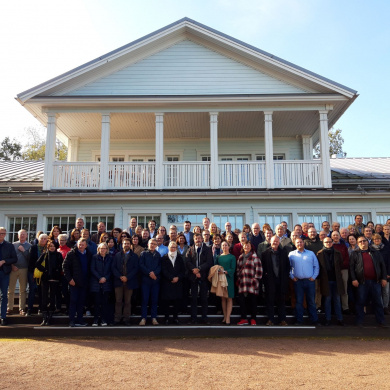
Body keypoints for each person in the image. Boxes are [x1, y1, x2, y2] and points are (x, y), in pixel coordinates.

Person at [350, 236, 387, 327]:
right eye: (360, 241)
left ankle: (381, 321)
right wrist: (354, 279)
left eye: (364, 241)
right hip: (362, 282)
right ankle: (359, 321)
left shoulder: (375, 252)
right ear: (358, 244)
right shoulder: (355, 254)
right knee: (360, 302)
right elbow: (351, 268)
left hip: (375, 282)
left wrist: (384, 278)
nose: (363, 242)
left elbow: (382, 265)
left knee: (378, 302)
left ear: (367, 242)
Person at [289, 237, 320, 326]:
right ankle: (299, 320)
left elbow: (316, 266)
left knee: (311, 301)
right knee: (299, 301)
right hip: (298, 282)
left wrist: (314, 277)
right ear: (295, 244)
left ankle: (314, 320)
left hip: (310, 281)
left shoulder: (311, 254)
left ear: (304, 243)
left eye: (301, 242)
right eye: (297, 243)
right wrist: (292, 277)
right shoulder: (291, 254)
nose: (299, 244)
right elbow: (288, 267)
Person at [63, 238, 92, 327]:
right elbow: (65, 267)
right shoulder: (71, 254)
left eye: (83, 244)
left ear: (86, 245)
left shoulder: (89, 254)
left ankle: (80, 319)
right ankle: (72, 320)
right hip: (74, 282)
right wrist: (69, 279)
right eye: (79, 244)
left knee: (81, 302)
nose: (81, 246)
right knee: (73, 301)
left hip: (84, 282)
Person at [261, 236, 290, 326]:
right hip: (270, 281)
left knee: (281, 301)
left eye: (277, 241)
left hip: (281, 280)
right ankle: (270, 319)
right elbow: (263, 267)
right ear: (270, 241)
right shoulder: (265, 253)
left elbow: (287, 266)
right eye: (274, 241)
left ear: (279, 242)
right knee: (270, 301)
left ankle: (282, 320)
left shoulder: (284, 252)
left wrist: (285, 277)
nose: (275, 243)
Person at [185, 233, 213, 324]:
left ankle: (204, 318)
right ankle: (194, 318)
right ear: (194, 239)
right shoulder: (190, 249)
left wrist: (199, 269)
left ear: (202, 239)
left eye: (199, 238)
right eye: (196, 238)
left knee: (204, 298)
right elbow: (188, 261)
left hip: (203, 277)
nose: (198, 240)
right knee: (193, 298)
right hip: (193, 277)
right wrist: (194, 270)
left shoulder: (207, 249)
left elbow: (209, 262)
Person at [317, 238, 344, 326]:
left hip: (336, 280)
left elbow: (341, 264)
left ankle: (340, 319)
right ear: (323, 243)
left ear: (332, 243)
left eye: (329, 242)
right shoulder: (319, 254)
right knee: (327, 301)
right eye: (326, 242)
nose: (328, 243)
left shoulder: (337, 253)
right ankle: (328, 319)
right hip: (326, 280)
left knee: (337, 300)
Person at [112, 238, 139, 326]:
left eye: (128, 243)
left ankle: (126, 319)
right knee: (118, 301)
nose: (126, 245)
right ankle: (117, 319)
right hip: (118, 281)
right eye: (124, 243)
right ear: (122, 245)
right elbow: (113, 268)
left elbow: (136, 268)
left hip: (129, 281)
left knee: (127, 302)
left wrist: (127, 277)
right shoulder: (117, 255)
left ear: (130, 245)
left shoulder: (134, 256)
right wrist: (120, 277)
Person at [36, 240, 63, 326]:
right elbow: (37, 264)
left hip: (55, 279)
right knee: (44, 298)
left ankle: (49, 317)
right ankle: (44, 317)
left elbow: (62, 265)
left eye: (53, 246)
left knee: (52, 298)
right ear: (48, 246)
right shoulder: (44, 254)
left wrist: (57, 271)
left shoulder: (59, 255)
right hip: (45, 279)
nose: (52, 247)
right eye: (50, 246)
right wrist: (45, 270)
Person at [236, 241, 262, 326]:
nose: (246, 247)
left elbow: (259, 271)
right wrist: (239, 279)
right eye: (245, 245)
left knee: (253, 302)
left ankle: (253, 319)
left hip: (252, 283)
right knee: (242, 302)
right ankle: (244, 318)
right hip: (242, 283)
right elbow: (238, 270)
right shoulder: (240, 257)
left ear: (251, 247)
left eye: (248, 245)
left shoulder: (255, 257)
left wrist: (255, 280)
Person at [160, 241, 186, 325]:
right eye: (171, 247)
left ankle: (175, 318)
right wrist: (171, 278)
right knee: (166, 302)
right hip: (167, 282)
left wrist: (178, 278)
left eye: (174, 247)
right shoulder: (164, 258)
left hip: (177, 283)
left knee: (176, 301)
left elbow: (183, 270)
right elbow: (163, 270)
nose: (173, 248)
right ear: (168, 248)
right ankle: (166, 318)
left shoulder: (180, 258)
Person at [139, 238, 161, 326]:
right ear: (148, 244)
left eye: (154, 244)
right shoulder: (143, 254)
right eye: (151, 243)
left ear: (156, 245)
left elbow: (160, 266)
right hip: (145, 280)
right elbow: (141, 265)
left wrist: (154, 273)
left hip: (155, 281)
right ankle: (143, 318)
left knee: (154, 300)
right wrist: (149, 273)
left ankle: (153, 318)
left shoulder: (158, 255)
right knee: (144, 300)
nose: (152, 245)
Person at [8, 229, 31, 315]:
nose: (22, 236)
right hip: (13, 269)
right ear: (18, 236)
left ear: (26, 236)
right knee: (11, 290)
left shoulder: (29, 246)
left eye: (24, 234)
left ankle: (22, 308)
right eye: (20, 234)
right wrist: (12, 266)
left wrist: (24, 251)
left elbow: (30, 258)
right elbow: (9, 256)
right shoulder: (13, 245)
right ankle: (10, 307)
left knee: (23, 290)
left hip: (24, 269)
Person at [90, 243, 112, 327]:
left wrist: (105, 278)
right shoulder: (94, 257)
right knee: (96, 302)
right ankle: (96, 319)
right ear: (98, 249)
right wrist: (100, 278)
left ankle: (103, 319)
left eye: (104, 248)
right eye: (101, 248)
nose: (102, 250)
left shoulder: (110, 258)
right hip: (96, 283)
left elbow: (111, 270)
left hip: (106, 283)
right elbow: (92, 269)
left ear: (107, 249)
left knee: (105, 303)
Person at [28, 233, 48, 316]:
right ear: (38, 239)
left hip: (44, 272)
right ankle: (29, 309)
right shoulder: (33, 247)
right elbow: (30, 260)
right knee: (32, 290)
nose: (43, 240)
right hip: (34, 271)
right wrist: (33, 271)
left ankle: (41, 308)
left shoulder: (48, 247)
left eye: (44, 238)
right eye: (41, 238)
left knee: (41, 291)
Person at [0, 227, 17, 325]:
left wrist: (4, 261)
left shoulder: (9, 246)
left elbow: (14, 259)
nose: (1, 235)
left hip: (4, 272)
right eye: (0, 233)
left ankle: (3, 316)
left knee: (4, 295)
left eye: (3, 233)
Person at [216, 241, 236, 325]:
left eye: (226, 245)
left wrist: (225, 272)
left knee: (229, 298)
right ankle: (224, 316)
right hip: (221, 279)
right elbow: (215, 266)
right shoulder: (218, 257)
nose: (224, 247)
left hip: (229, 279)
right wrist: (218, 270)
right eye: (223, 245)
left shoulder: (232, 257)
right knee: (223, 298)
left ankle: (228, 318)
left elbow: (233, 269)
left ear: (229, 246)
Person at [331, 231, 350, 314]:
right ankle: (335, 307)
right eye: (334, 235)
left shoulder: (343, 246)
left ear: (339, 237)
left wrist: (340, 266)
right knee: (334, 290)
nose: (335, 237)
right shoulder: (330, 246)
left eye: (337, 235)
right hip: (332, 271)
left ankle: (345, 307)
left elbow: (346, 258)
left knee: (344, 288)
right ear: (331, 237)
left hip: (343, 270)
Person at [371, 234, 390, 315]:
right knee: (377, 292)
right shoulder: (370, 249)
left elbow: (389, 262)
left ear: (381, 239)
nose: (377, 240)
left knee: (386, 292)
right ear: (373, 240)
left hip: (386, 274)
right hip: (376, 274)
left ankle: (385, 307)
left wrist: (388, 273)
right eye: (375, 239)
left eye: (378, 239)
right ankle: (379, 307)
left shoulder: (386, 249)